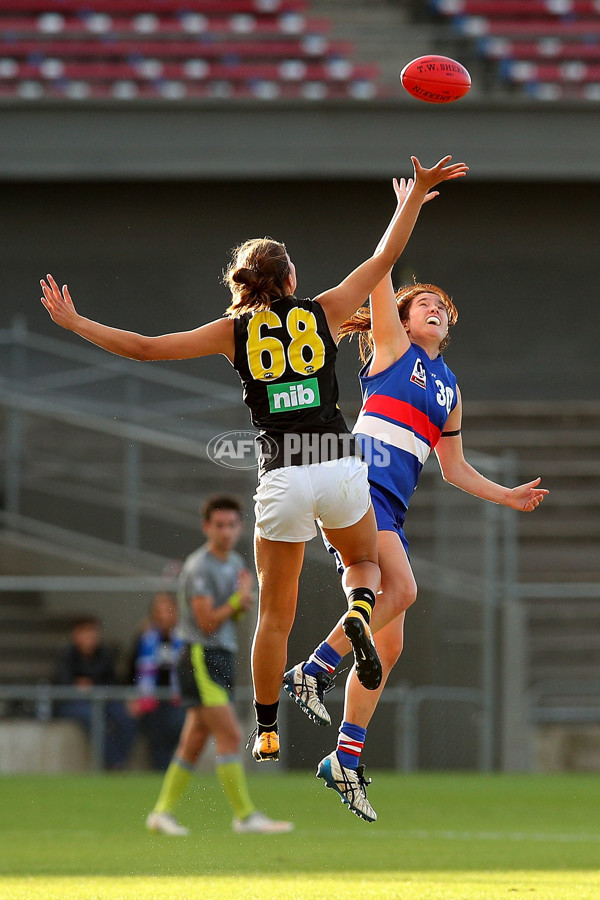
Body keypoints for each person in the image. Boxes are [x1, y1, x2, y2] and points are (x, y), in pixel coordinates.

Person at [39, 154, 469, 765]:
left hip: (283, 474)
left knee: (275, 614)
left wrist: (76, 321)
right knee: (369, 565)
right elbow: (384, 263)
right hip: (339, 462)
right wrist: (414, 197)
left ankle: (266, 728)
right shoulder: (322, 310)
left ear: (243, 283)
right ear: (291, 279)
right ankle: (355, 618)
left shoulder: (234, 330)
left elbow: (144, 348)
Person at [283, 176, 549, 823]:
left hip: (387, 508)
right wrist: (406, 208)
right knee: (402, 592)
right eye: (421, 302)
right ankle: (310, 671)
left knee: (391, 642)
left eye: (440, 306)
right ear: (397, 320)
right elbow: (383, 266)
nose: (433, 307)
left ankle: (344, 758)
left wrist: (506, 495)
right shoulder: (393, 351)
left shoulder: (450, 389)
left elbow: (454, 468)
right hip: (354, 482)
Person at [145, 494, 292, 834]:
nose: (226, 531)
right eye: (219, 525)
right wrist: (237, 601)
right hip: (200, 656)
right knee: (230, 733)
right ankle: (245, 816)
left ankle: (161, 813)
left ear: (240, 527)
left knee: (194, 741)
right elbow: (207, 622)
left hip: (219, 656)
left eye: (231, 524)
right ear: (206, 527)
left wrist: (242, 603)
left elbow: (231, 616)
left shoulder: (234, 563)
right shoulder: (199, 567)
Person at [54, 615, 137, 770]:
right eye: (85, 632)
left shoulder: (104, 654)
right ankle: (116, 763)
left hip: (103, 700)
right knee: (92, 717)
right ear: (75, 635)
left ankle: (119, 761)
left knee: (126, 717)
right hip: (74, 703)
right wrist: (77, 685)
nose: (89, 637)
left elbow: (113, 682)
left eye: (92, 632)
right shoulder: (67, 655)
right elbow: (63, 682)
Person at [129, 592, 186, 770]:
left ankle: (174, 770)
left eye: (168, 610)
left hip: (177, 698)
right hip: (151, 699)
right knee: (155, 734)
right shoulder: (145, 638)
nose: (164, 615)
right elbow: (133, 668)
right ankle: (159, 771)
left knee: (177, 727)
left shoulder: (184, 637)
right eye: (159, 610)